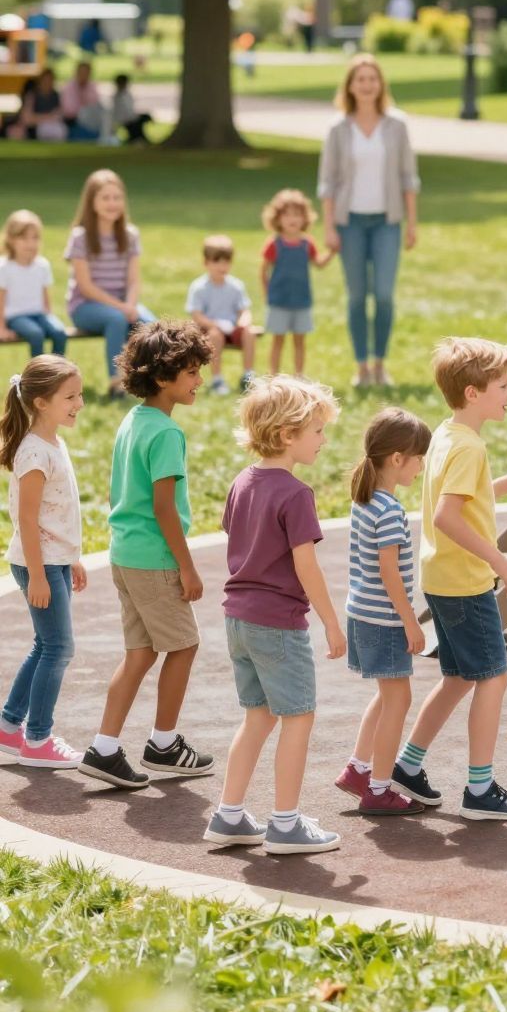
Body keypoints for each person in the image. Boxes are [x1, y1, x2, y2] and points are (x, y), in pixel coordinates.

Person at [204, 376, 346, 857]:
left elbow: (238, 538)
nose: (323, 440)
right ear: (288, 435)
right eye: (318, 431)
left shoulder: (242, 481)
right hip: (278, 623)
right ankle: (284, 823)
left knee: (258, 716)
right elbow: (305, 565)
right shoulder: (295, 493)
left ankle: (228, 815)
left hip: (237, 620)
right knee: (298, 717)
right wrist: (330, 619)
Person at [391, 336, 507, 819]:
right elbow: (450, 517)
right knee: (493, 677)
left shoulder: (449, 436)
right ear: (474, 393)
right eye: (504, 386)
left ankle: (406, 766)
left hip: (441, 577)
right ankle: (480, 789)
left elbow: (462, 497)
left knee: (458, 678)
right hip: (466, 582)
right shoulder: (468, 448)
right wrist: (501, 562)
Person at [78, 320, 216, 790]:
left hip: (125, 554)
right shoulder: (166, 435)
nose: (199, 381)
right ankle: (163, 743)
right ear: (163, 378)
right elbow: (163, 508)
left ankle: (104, 748)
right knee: (183, 645)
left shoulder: (133, 420)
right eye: (192, 372)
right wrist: (188, 567)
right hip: (155, 560)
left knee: (139, 654)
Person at [335, 406, 433, 817]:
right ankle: (378, 788)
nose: (421, 466)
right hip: (384, 619)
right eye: (418, 458)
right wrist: (411, 621)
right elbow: (388, 570)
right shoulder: (389, 510)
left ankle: (358, 769)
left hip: (362, 614)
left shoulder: (366, 500)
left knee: (388, 694)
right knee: (399, 699)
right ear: (397, 459)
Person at [0, 355, 86, 769]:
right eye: (70, 397)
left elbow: (57, 514)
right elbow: (27, 520)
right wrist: (39, 575)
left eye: (80, 394)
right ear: (40, 403)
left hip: (54, 560)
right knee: (58, 647)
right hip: (40, 564)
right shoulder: (33, 453)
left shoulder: (53, 442)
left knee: (46, 645)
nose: (80, 404)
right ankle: (37, 740)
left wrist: (72, 559)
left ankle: (8, 727)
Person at [318, 54, 419, 391]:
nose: (366, 85)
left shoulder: (397, 125)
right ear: (350, 85)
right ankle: (361, 366)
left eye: (371, 79)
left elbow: (409, 177)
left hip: (387, 222)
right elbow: (327, 182)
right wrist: (329, 226)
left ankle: (380, 363)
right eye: (359, 79)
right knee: (357, 296)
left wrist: (411, 223)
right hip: (351, 223)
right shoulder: (337, 128)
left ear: (380, 84)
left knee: (385, 294)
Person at [63, 170, 156, 396]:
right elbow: (85, 287)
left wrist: (131, 305)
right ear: (91, 202)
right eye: (105, 198)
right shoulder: (80, 237)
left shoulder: (130, 235)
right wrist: (121, 308)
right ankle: (118, 384)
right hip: (86, 306)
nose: (112, 203)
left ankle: (152, 381)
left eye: (117, 198)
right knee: (116, 320)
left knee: (152, 327)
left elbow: (134, 280)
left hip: (123, 304)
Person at [261, 188, 332, 377]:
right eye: (287, 214)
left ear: (305, 218)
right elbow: (263, 271)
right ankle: (273, 377)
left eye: (297, 214)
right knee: (278, 340)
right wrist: (267, 294)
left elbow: (319, 263)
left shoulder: (307, 244)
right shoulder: (274, 244)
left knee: (299, 341)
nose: (292, 219)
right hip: (279, 301)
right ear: (277, 218)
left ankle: (299, 375)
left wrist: (332, 252)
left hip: (301, 301)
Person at [187, 234, 257, 394]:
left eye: (226, 261)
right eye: (217, 261)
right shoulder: (199, 287)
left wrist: (243, 322)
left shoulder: (236, 286)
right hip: (209, 329)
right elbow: (197, 315)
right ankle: (217, 379)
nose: (222, 266)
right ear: (206, 262)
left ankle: (248, 375)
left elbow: (244, 310)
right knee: (215, 336)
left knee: (249, 333)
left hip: (232, 328)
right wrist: (216, 325)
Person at [0, 209, 69, 356]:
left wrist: (49, 317)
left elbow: (45, 296)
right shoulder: (5, 267)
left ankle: (57, 373)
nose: (30, 243)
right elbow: (1, 299)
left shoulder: (42, 265)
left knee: (59, 332)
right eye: (24, 238)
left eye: (35, 238)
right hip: (16, 317)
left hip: (39, 314)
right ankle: (37, 376)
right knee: (36, 334)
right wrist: (1, 328)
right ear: (11, 240)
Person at [9, 68, 68, 142]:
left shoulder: (56, 96)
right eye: (45, 80)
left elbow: (60, 116)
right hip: (34, 130)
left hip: (53, 127)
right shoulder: (32, 95)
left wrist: (41, 118)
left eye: (50, 80)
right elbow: (27, 119)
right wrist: (48, 117)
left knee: (60, 130)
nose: (47, 83)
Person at [60, 60, 108, 142]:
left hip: (91, 119)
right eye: (82, 72)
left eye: (86, 72)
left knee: (105, 113)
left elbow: (95, 103)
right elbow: (68, 110)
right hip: (73, 120)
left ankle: (105, 138)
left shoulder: (92, 86)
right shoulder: (69, 87)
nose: (84, 75)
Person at [111, 73, 154, 145]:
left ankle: (139, 138)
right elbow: (122, 112)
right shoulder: (119, 96)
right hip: (124, 118)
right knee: (137, 122)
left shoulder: (126, 94)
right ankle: (138, 139)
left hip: (129, 117)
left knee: (142, 119)